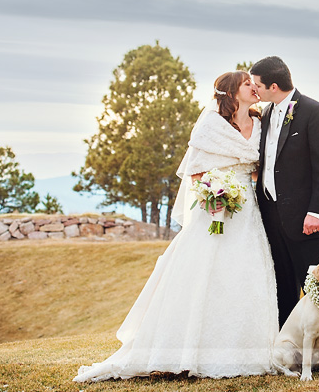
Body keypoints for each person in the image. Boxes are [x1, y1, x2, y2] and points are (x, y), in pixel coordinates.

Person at [74, 71, 279, 382]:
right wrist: (214, 194)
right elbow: (195, 173)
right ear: (232, 93)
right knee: (202, 278)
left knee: (244, 277)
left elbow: (258, 170)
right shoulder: (211, 127)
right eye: (247, 84)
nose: (254, 87)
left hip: (248, 212)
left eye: (254, 83)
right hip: (215, 212)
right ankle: (184, 350)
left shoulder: (262, 123)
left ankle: (245, 351)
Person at [250, 56, 319, 365]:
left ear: (273, 86)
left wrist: (315, 212)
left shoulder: (313, 112)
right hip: (272, 217)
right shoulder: (265, 113)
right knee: (283, 288)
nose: (255, 89)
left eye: (258, 85)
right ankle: (289, 354)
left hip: (307, 220)